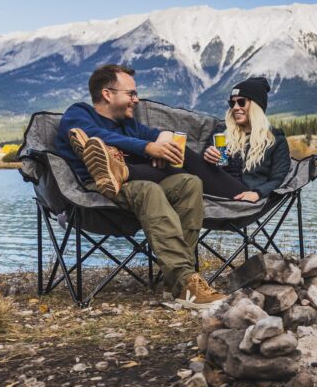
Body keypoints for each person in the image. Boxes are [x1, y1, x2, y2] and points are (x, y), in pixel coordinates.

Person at [55, 64, 225, 309]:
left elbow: (160, 134)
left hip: (135, 181)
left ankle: (177, 282)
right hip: (98, 189)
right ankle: (186, 283)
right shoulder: (80, 113)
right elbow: (87, 133)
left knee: (189, 183)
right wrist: (145, 148)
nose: (136, 100)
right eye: (131, 94)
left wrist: (160, 144)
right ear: (107, 94)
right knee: (149, 190)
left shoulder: (129, 124)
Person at [197, 77, 292, 201]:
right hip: (213, 185)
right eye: (232, 103)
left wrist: (258, 193)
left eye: (241, 102)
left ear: (256, 105)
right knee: (181, 154)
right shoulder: (222, 130)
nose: (235, 107)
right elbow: (208, 167)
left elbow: (278, 178)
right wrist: (207, 156)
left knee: (184, 156)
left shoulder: (275, 139)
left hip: (242, 191)